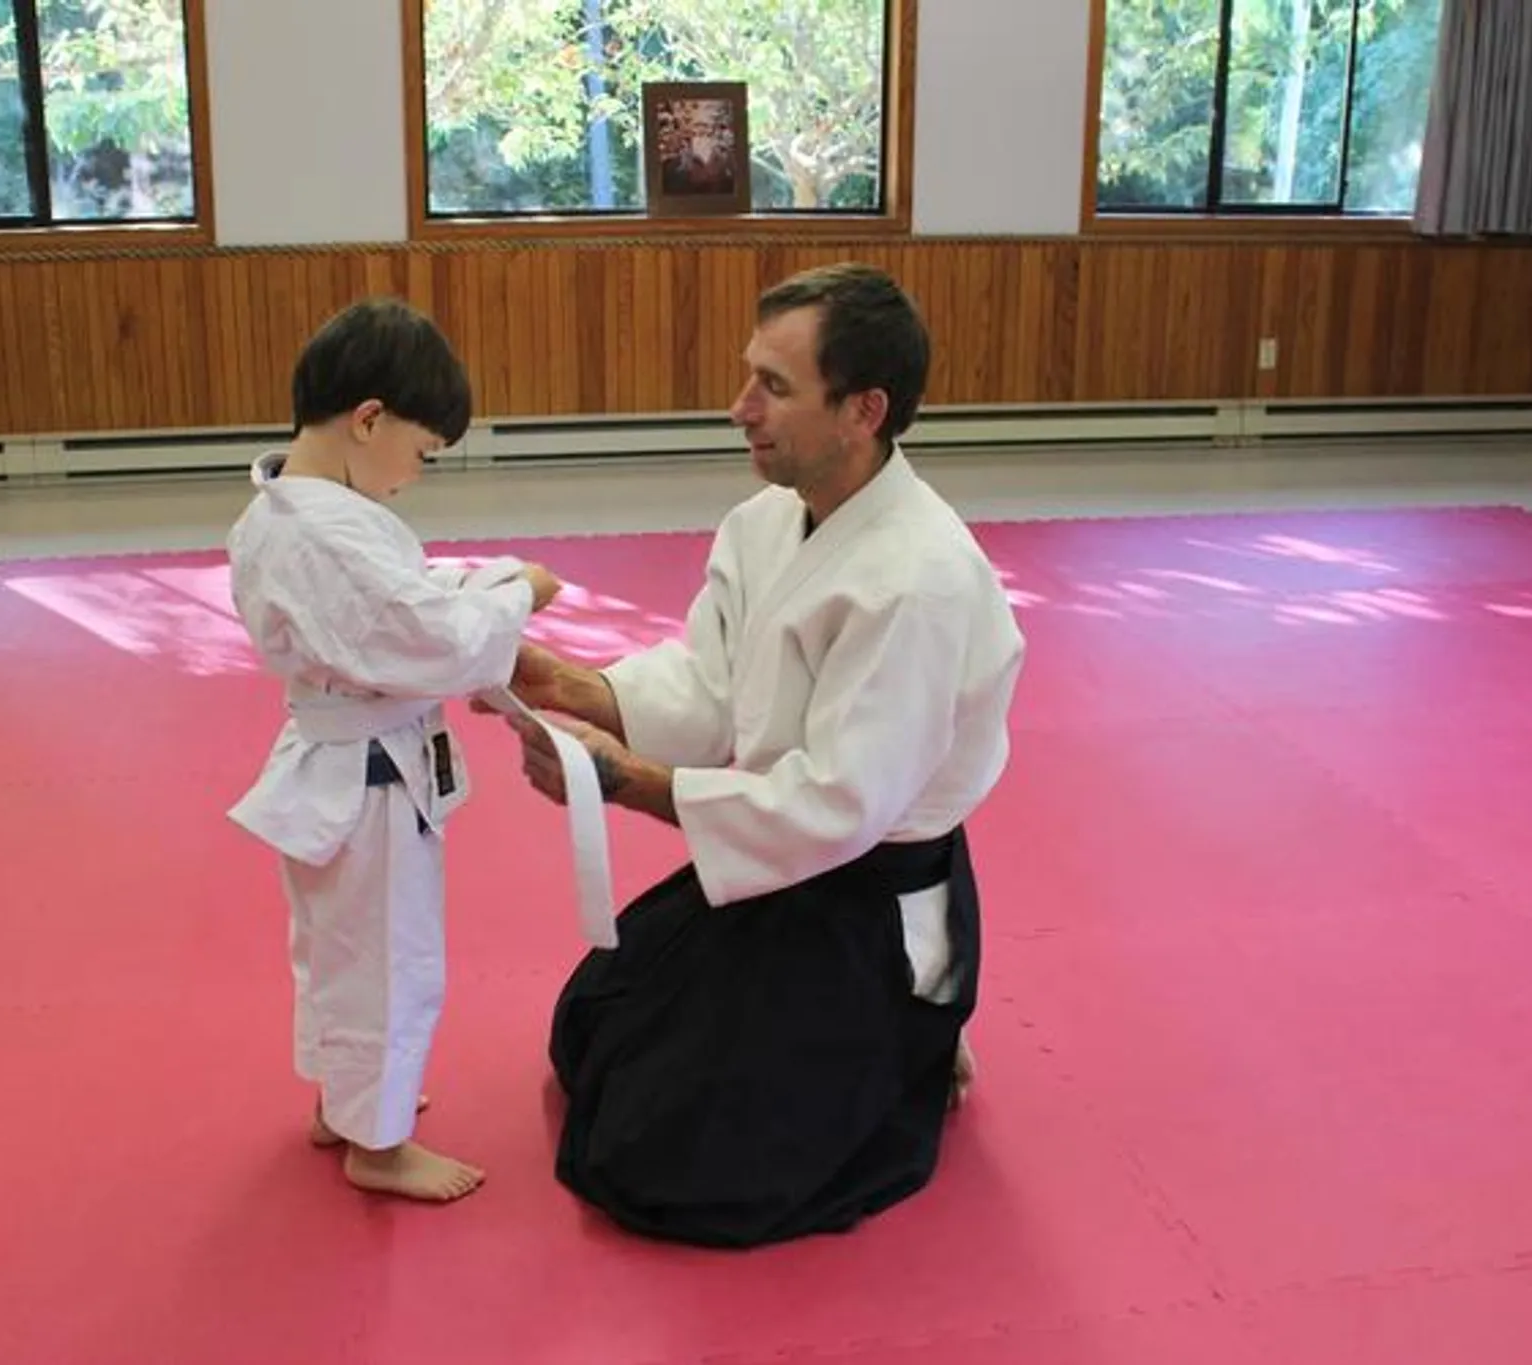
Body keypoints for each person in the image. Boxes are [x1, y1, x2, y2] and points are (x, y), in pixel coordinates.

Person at [497, 263, 1026, 1248]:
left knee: (670, 1167)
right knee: (593, 1031)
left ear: (862, 410)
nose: (738, 407)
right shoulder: (764, 522)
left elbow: (840, 804)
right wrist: (571, 686)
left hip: (866, 894)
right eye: (749, 376)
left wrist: (629, 784)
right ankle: (903, 1037)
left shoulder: (918, 582)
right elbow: (713, 686)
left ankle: (919, 1027)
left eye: (773, 387)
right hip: (775, 858)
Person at [226, 297, 561, 1204]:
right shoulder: (322, 532)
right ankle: (379, 1143)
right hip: (364, 781)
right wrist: (518, 591)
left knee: (338, 951)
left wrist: (479, 590)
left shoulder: (286, 512)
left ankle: (346, 1103)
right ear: (368, 418)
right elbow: (431, 640)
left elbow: (400, 603)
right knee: (390, 956)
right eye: (420, 451)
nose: (415, 476)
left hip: (336, 764)